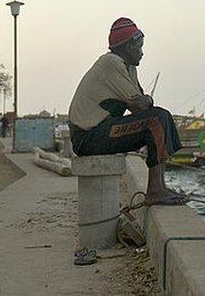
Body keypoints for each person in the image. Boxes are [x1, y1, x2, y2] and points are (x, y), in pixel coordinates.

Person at [68, 17, 183, 206]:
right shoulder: (111, 62)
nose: (142, 52)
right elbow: (139, 105)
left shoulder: (129, 68)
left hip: (100, 131)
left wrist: (146, 101)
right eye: (139, 46)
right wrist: (147, 100)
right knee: (158, 119)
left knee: (163, 117)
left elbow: (142, 105)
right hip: (87, 137)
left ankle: (160, 187)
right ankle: (154, 191)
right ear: (128, 46)